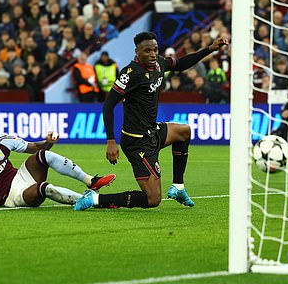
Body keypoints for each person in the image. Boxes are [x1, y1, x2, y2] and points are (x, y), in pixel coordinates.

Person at [73, 32, 229, 211]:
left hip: (152, 131)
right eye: (147, 51)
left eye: (155, 49)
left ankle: (178, 186)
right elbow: (108, 105)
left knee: (184, 131)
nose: (153, 54)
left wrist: (209, 49)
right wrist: (110, 141)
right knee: (153, 199)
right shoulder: (130, 74)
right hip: (137, 142)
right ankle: (95, 199)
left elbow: (181, 64)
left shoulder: (159, 64)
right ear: (137, 52)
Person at [0, 114, 115, 209]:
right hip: (10, 197)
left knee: (44, 155)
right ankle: (93, 201)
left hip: (20, 176)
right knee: (45, 188)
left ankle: (91, 181)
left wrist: (48, 143)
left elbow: (33, 148)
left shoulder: (2, 140)